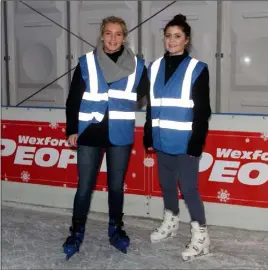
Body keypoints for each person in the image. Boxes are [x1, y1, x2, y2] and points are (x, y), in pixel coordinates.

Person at [63, 16, 148, 259]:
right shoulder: (86, 62)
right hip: (90, 132)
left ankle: (116, 229)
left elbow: (144, 92)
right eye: (108, 33)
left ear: (124, 37)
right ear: (102, 35)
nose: (113, 38)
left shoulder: (137, 65)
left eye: (118, 34)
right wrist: (71, 129)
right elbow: (73, 99)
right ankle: (76, 231)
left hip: (119, 133)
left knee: (115, 187)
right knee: (85, 187)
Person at [143, 14, 211, 261]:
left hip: (185, 141)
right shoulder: (155, 67)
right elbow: (152, 105)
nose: (172, 41)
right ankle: (170, 223)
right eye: (168, 36)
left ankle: (201, 236)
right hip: (161, 140)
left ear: (186, 40)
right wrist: (148, 133)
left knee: (189, 189)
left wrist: (197, 141)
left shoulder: (197, 68)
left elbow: (203, 110)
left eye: (177, 36)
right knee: (167, 185)